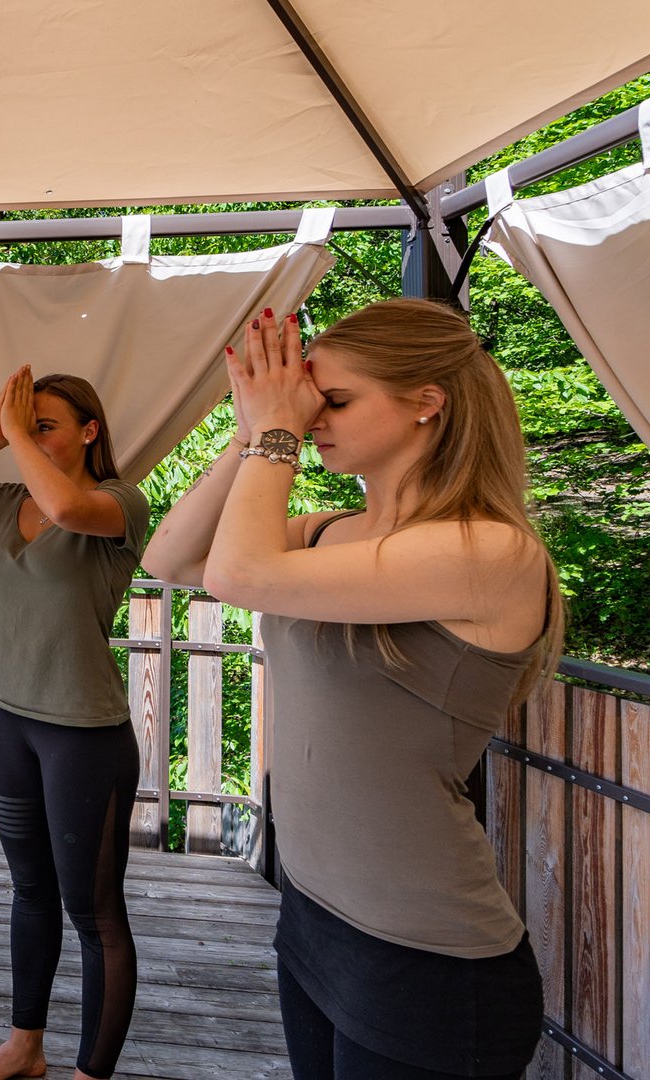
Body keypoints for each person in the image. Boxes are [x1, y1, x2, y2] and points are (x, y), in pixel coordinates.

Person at [142, 300, 559, 1079]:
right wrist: (252, 430)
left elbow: (240, 574)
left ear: (426, 403)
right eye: (308, 404)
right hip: (313, 920)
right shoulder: (329, 532)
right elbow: (171, 559)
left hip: (427, 958)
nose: (311, 421)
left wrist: (277, 433)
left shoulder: (491, 552)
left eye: (333, 402)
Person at [0, 366, 150, 1080]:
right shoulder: (5, 498)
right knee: (31, 893)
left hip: (85, 736)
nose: (31, 436)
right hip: (12, 722)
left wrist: (16, 434)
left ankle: (90, 1074)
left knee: (94, 912)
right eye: (27, 422)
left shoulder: (118, 504)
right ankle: (26, 1046)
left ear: (89, 431)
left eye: (45, 424)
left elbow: (70, 510)